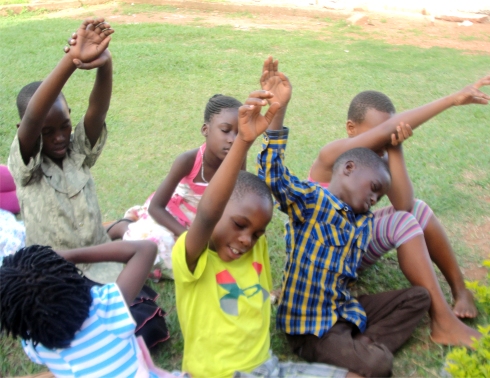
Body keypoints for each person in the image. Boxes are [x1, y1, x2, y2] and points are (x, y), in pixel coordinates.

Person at [261, 56, 488, 347]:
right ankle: (443, 322)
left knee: (418, 210)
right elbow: (390, 133)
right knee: (405, 221)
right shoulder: (335, 156)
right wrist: (453, 99)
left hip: (352, 247)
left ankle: (460, 289)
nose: (384, 138)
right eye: (381, 132)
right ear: (351, 128)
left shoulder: (378, 160)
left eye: (389, 133)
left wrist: (396, 148)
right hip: (323, 252)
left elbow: (405, 204)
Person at [172, 90, 352, 378]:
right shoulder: (193, 258)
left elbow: (257, 184)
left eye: (257, 233)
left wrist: (277, 109)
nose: (247, 239)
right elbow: (210, 210)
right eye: (239, 225)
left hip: (268, 368)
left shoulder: (255, 247)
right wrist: (242, 140)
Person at [258, 135, 431, 375]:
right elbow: (272, 175)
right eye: (374, 189)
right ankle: (361, 351)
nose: (374, 200)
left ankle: (361, 345)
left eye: (378, 198)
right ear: (349, 169)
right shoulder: (312, 202)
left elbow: (402, 207)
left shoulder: (362, 222)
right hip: (312, 329)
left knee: (420, 297)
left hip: (343, 309)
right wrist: (278, 113)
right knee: (379, 365)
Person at [0, 240, 185, 377]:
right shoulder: (104, 308)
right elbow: (145, 249)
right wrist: (71, 255)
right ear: (71, 279)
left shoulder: (35, 344)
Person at [108, 94, 245, 280]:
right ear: (206, 129)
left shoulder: (238, 161)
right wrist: (187, 237)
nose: (232, 139)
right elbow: (157, 207)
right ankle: (123, 228)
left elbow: (237, 202)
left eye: (239, 133)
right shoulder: (188, 160)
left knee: (217, 258)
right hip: (171, 216)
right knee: (157, 247)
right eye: (226, 130)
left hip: (205, 222)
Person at [8, 17, 113, 252]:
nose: (59, 137)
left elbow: (97, 111)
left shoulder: (77, 153)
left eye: (65, 125)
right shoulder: (26, 169)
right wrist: (71, 60)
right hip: (52, 272)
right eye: (46, 132)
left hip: (98, 263)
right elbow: (34, 117)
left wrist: (105, 65)